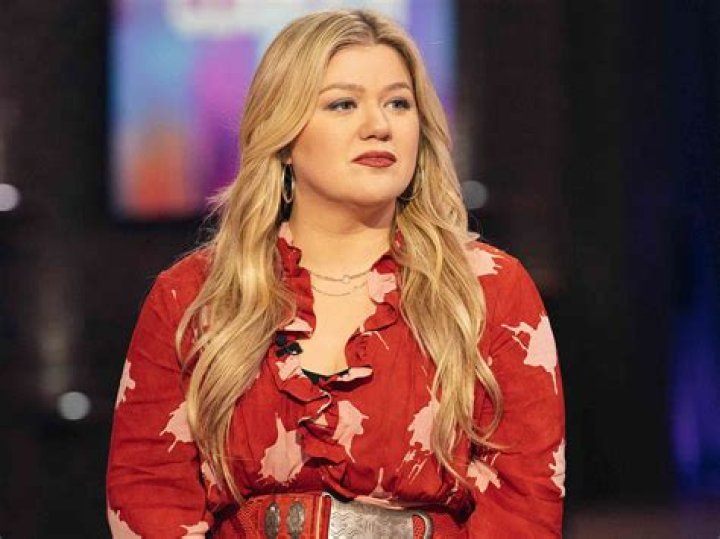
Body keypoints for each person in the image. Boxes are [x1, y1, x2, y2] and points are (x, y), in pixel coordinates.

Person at [106, 9, 565, 538]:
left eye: (398, 103)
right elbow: (150, 494)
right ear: (283, 134)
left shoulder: (488, 289)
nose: (379, 125)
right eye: (343, 104)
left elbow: (523, 506)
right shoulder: (193, 296)